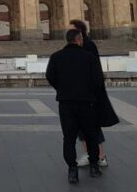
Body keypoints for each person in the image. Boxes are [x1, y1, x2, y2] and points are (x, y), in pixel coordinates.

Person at [46, 29, 104, 184]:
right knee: (91, 136)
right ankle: (94, 167)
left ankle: (72, 170)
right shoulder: (90, 58)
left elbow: (50, 76)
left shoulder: (56, 57)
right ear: (79, 40)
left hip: (66, 104)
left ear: (67, 40)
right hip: (87, 103)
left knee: (69, 138)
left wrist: (62, 89)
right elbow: (98, 80)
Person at [69, 19, 117, 168]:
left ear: (79, 31)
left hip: (90, 94)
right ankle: (91, 155)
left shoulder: (88, 45)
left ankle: (101, 156)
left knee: (92, 126)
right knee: (81, 127)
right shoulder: (76, 46)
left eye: (71, 29)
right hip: (79, 94)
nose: (68, 32)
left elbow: (93, 72)